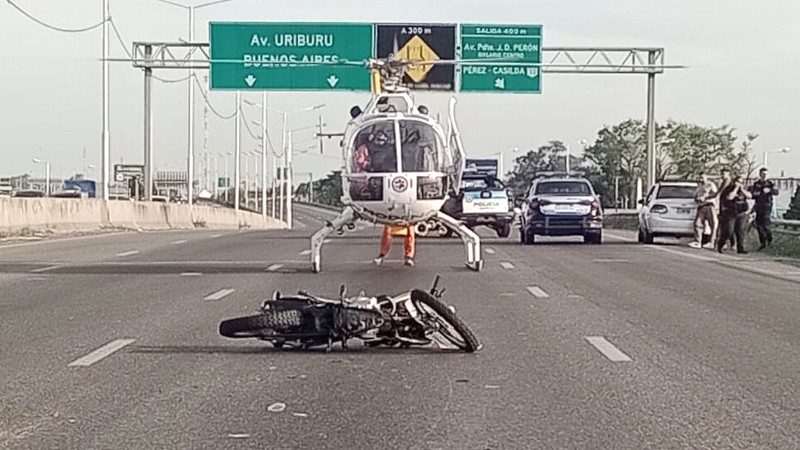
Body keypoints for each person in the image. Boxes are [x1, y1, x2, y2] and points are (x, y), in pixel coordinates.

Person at [716, 174, 752, 254]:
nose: (739, 184)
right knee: (729, 231)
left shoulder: (744, 189)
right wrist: (735, 189)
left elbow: (750, 196)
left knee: (740, 231)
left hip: (742, 212)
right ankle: (720, 244)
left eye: (741, 182)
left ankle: (740, 248)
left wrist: (742, 189)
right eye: (738, 182)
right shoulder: (728, 189)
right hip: (730, 212)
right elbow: (729, 197)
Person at [750, 167, 779, 250]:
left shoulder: (771, 183)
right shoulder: (756, 183)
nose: (764, 176)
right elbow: (753, 193)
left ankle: (769, 239)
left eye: (765, 174)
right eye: (762, 174)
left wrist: (769, 190)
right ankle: (762, 242)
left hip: (767, 205)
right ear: (760, 174)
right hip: (758, 204)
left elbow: (776, 192)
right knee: (758, 224)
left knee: (765, 223)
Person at [690, 173, 717, 249]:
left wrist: (706, 197)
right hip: (701, 206)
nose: (701, 179)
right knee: (697, 223)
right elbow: (695, 196)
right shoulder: (699, 187)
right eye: (699, 178)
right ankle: (698, 241)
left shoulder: (710, 184)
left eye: (702, 177)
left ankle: (712, 242)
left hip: (709, 205)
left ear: (706, 177)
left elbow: (715, 194)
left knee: (712, 224)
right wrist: (697, 199)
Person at [714, 168, 735, 250]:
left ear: (729, 174)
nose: (722, 175)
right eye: (722, 173)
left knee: (730, 227)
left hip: (731, 207)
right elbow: (718, 193)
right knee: (723, 226)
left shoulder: (732, 184)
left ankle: (733, 243)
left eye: (724, 174)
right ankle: (724, 243)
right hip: (723, 206)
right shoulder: (722, 183)